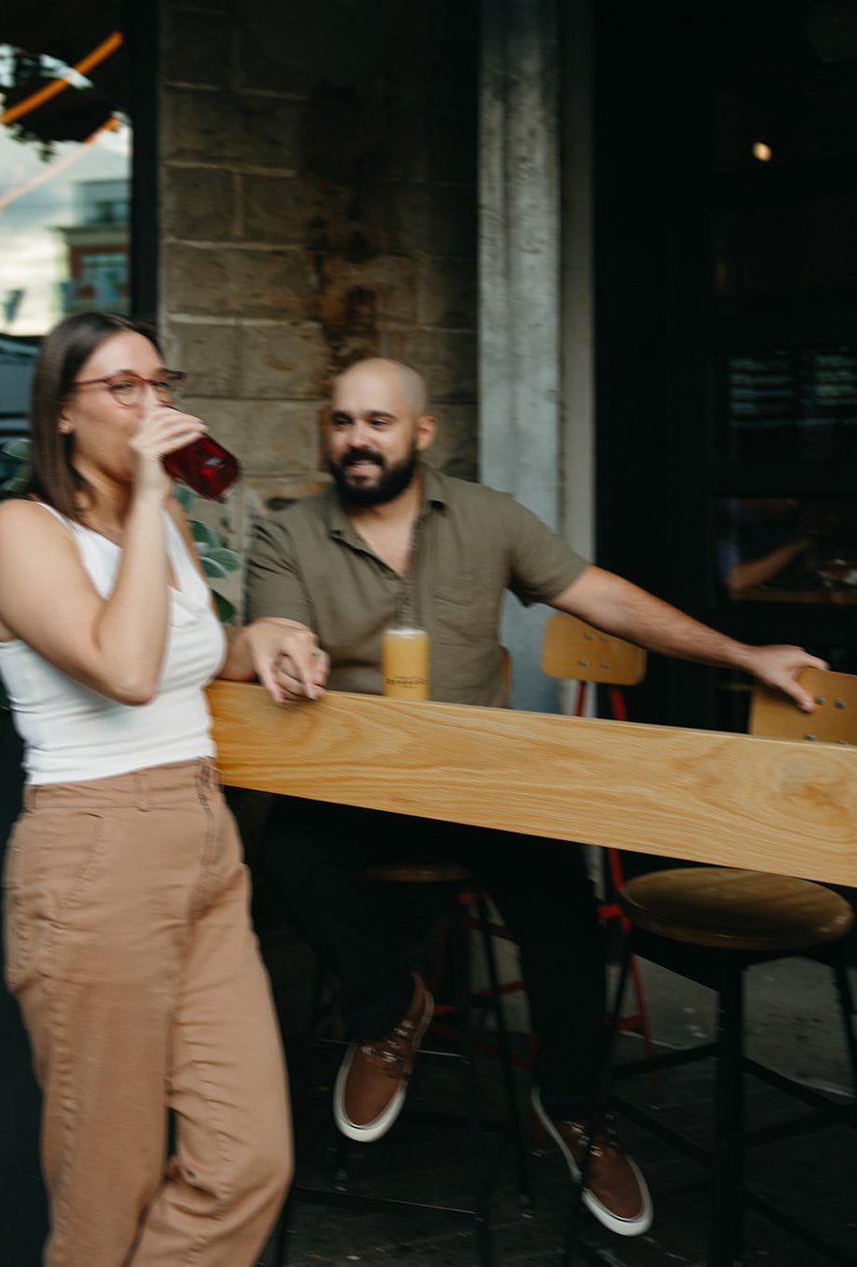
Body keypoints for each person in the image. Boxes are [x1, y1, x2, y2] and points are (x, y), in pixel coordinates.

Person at [245, 357, 826, 1241]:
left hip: (481, 780)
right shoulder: (288, 534)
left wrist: (743, 656)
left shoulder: (487, 518)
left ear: (421, 432)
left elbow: (605, 599)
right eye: (341, 422)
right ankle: (386, 1010)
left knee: (564, 910)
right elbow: (273, 624)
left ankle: (576, 1109)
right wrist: (282, 643)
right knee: (286, 856)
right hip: (353, 777)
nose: (357, 440)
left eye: (378, 421)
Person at [0, 311, 320, 1267]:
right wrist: (145, 507)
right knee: (106, 1187)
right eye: (121, 388)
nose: (153, 405)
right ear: (60, 415)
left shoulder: (158, 517)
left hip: (204, 841)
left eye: (160, 384)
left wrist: (267, 640)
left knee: (247, 1160)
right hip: (96, 854)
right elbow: (122, 669)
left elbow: (184, 664)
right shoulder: (19, 531)